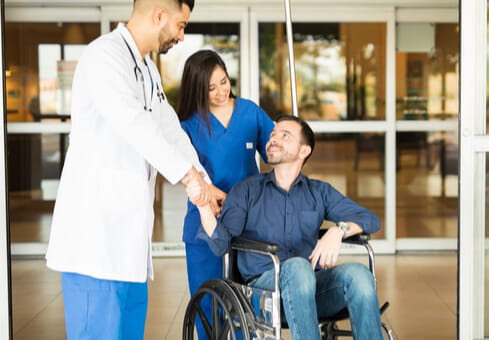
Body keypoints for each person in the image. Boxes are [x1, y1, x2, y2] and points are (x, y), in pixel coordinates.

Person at [45, 0, 220, 338]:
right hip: (94, 245)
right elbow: (134, 123)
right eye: (181, 25)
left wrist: (204, 183)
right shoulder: (103, 57)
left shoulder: (148, 70)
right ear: (159, 15)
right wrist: (187, 177)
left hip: (129, 248)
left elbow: (169, 129)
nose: (182, 37)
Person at [188, 115, 385, 340]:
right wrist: (203, 206)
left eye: (285, 135)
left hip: (310, 291)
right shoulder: (246, 190)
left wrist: (338, 231)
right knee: (298, 268)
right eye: (272, 135)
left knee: (359, 274)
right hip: (262, 293)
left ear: (304, 151)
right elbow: (220, 244)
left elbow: (370, 220)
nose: (273, 139)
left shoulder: (318, 192)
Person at [176, 49, 274, 339]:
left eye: (224, 81)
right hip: (204, 224)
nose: (221, 92)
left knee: (249, 304)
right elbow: (187, 174)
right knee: (209, 304)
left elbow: (275, 151)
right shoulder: (188, 126)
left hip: (249, 224)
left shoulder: (250, 113)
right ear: (197, 89)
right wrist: (216, 196)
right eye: (210, 88)